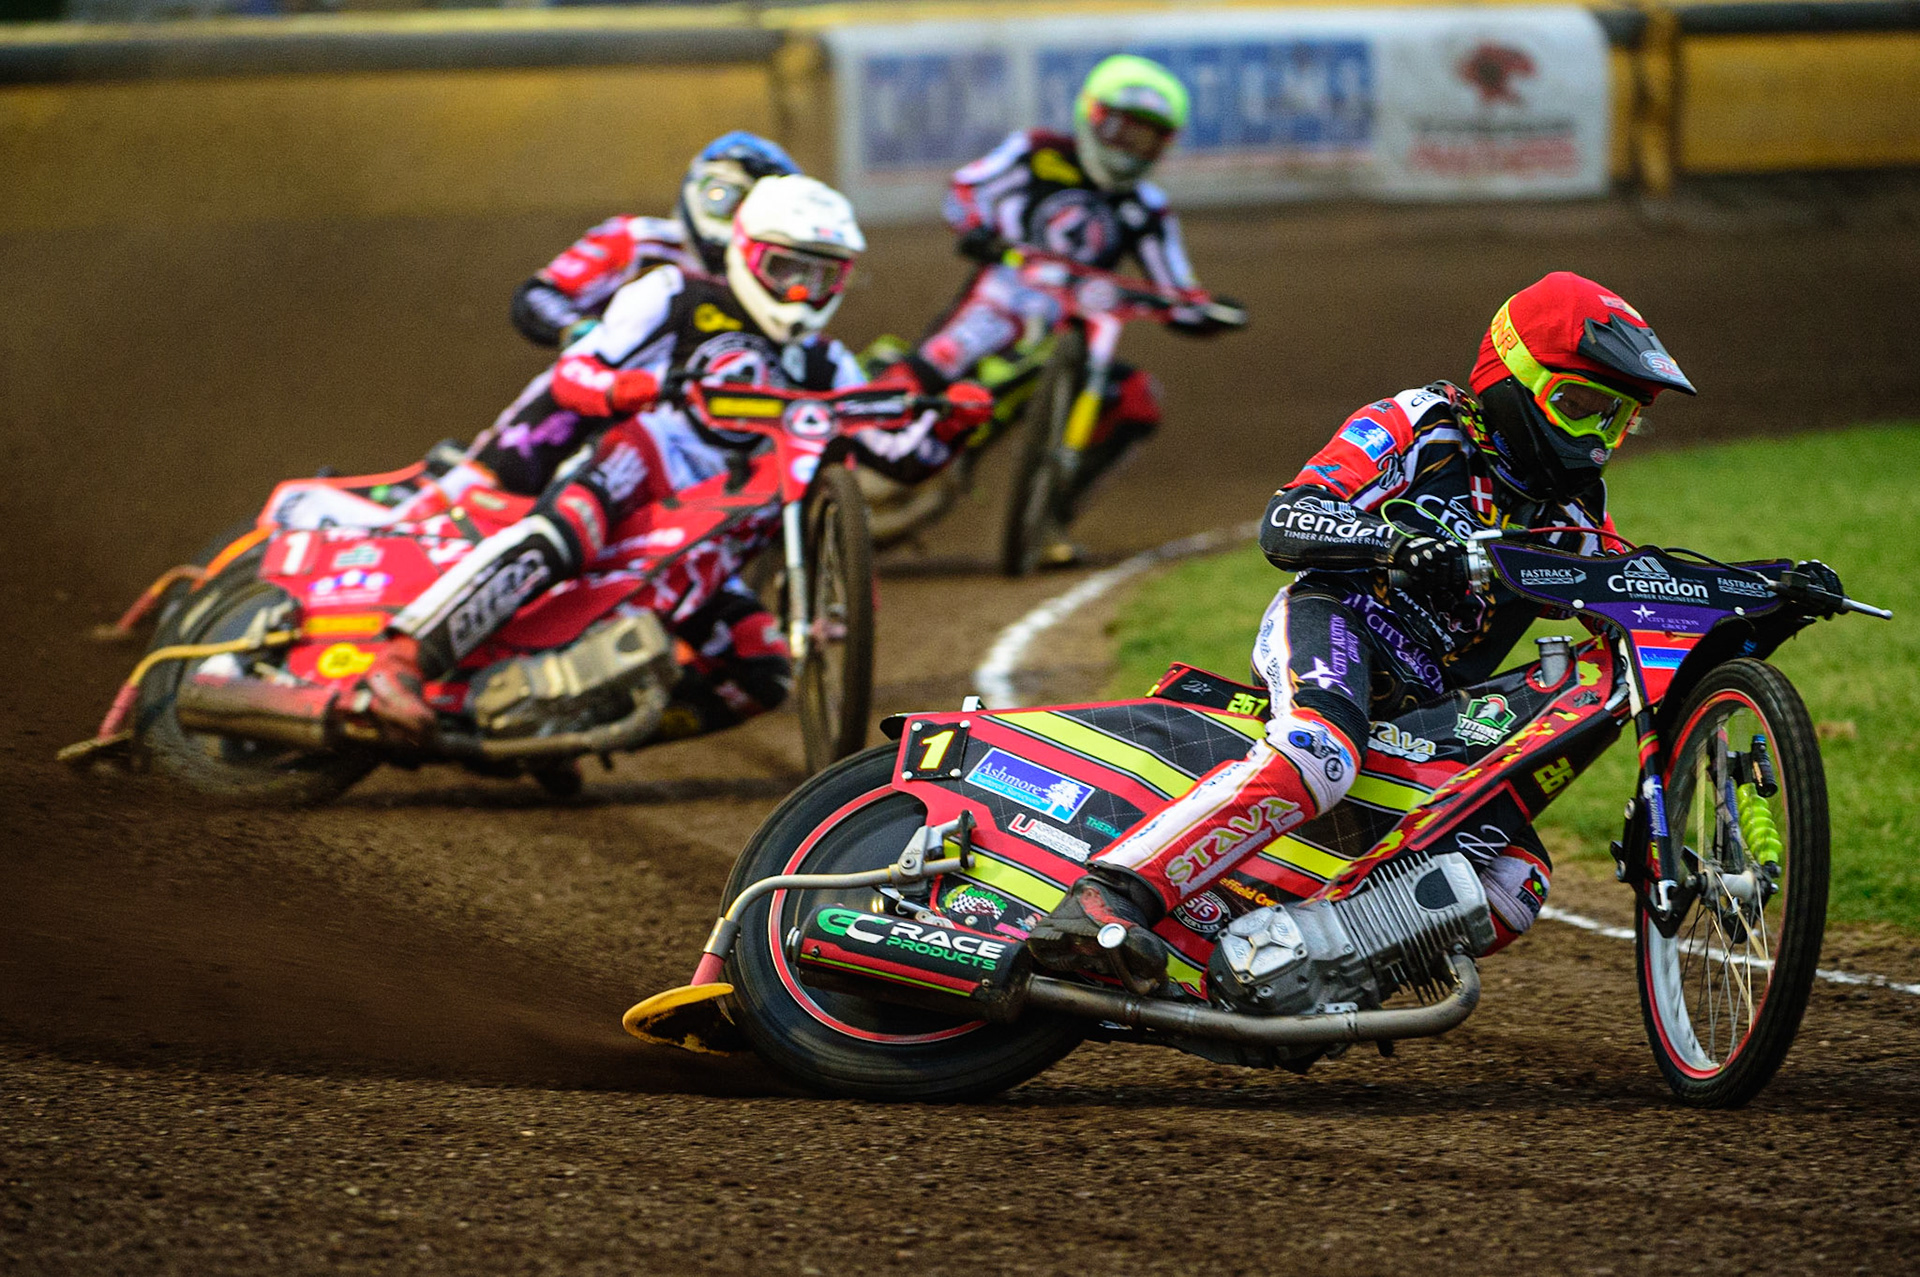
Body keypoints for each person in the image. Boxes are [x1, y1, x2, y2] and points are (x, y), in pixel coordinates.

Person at [1025, 271, 1697, 994]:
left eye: (1616, 420)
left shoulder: (1575, 511)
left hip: (1429, 707)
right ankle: (1108, 897)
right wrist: (1393, 547)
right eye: (1581, 407)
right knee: (1321, 751)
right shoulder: (1420, 421)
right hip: (1337, 622)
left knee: (1513, 877)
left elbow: (1630, 594)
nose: (1597, 442)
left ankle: (1310, 968)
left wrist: (1756, 592)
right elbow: (1287, 519)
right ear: (1516, 375)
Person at [353, 176, 989, 744]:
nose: (802, 291)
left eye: (822, 276)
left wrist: (956, 425)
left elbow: (902, 458)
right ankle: (403, 662)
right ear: (744, 251)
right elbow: (575, 375)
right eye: (786, 269)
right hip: (643, 461)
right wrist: (627, 388)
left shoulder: (827, 364)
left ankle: (575, 723)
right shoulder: (677, 296)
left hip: (718, 534)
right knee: (559, 537)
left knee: (761, 671)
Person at [870, 54, 1238, 550]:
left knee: (1135, 400)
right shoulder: (1036, 152)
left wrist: (1206, 311)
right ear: (1093, 116)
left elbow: (1178, 288)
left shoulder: (1147, 208)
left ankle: (1049, 519)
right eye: (1123, 130)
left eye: (1146, 136)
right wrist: (980, 231)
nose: (1130, 147)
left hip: (1080, 330)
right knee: (944, 357)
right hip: (1004, 300)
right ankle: (850, 439)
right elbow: (964, 190)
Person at [509, 132, 802, 348]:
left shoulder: (775, 268)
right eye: (721, 196)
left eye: (752, 202)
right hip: (617, 391)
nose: (734, 212)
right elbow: (537, 296)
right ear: (695, 185)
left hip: (725, 405)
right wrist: (584, 333)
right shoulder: (639, 240)